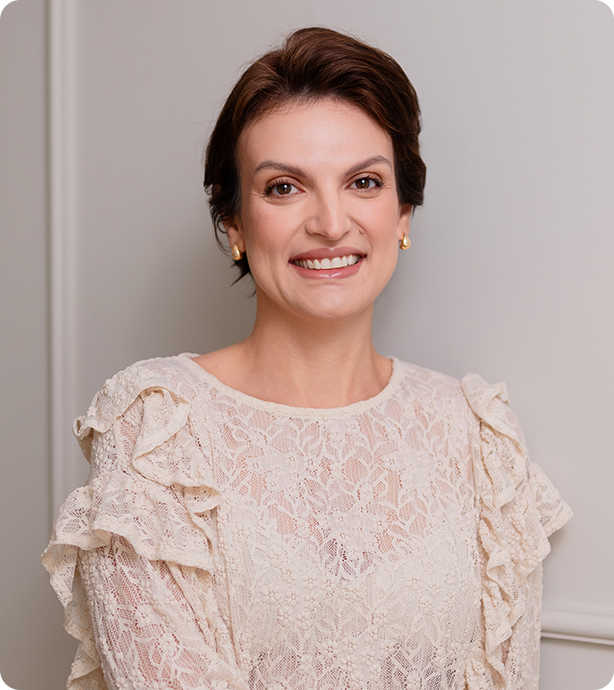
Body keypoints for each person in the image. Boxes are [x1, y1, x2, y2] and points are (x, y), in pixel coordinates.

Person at [43, 27, 571, 690]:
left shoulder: (479, 437)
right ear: (235, 224)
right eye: (284, 187)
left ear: (403, 214)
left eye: (364, 182)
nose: (330, 222)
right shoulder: (157, 428)